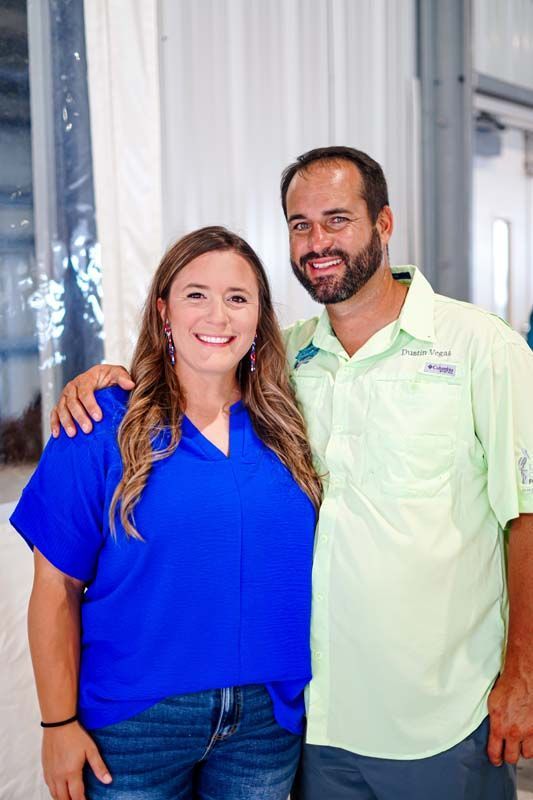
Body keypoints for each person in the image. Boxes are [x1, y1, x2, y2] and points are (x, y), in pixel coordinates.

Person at [49, 147, 533, 800]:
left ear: (383, 225)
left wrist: (522, 675)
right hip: (313, 721)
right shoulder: (286, 365)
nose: (316, 242)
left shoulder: (480, 348)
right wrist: (110, 380)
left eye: (336, 219)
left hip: (439, 717)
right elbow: (195, 369)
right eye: (299, 224)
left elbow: (522, 515)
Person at [10, 226, 322, 800]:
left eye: (237, 298)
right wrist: (56, 725)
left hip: (266, 722)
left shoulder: (292, 425)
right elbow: (54, 588)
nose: (218, 315)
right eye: (196, 294)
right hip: (134, 727)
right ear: (164, 311)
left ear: (259, 317)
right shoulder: (101, 424)